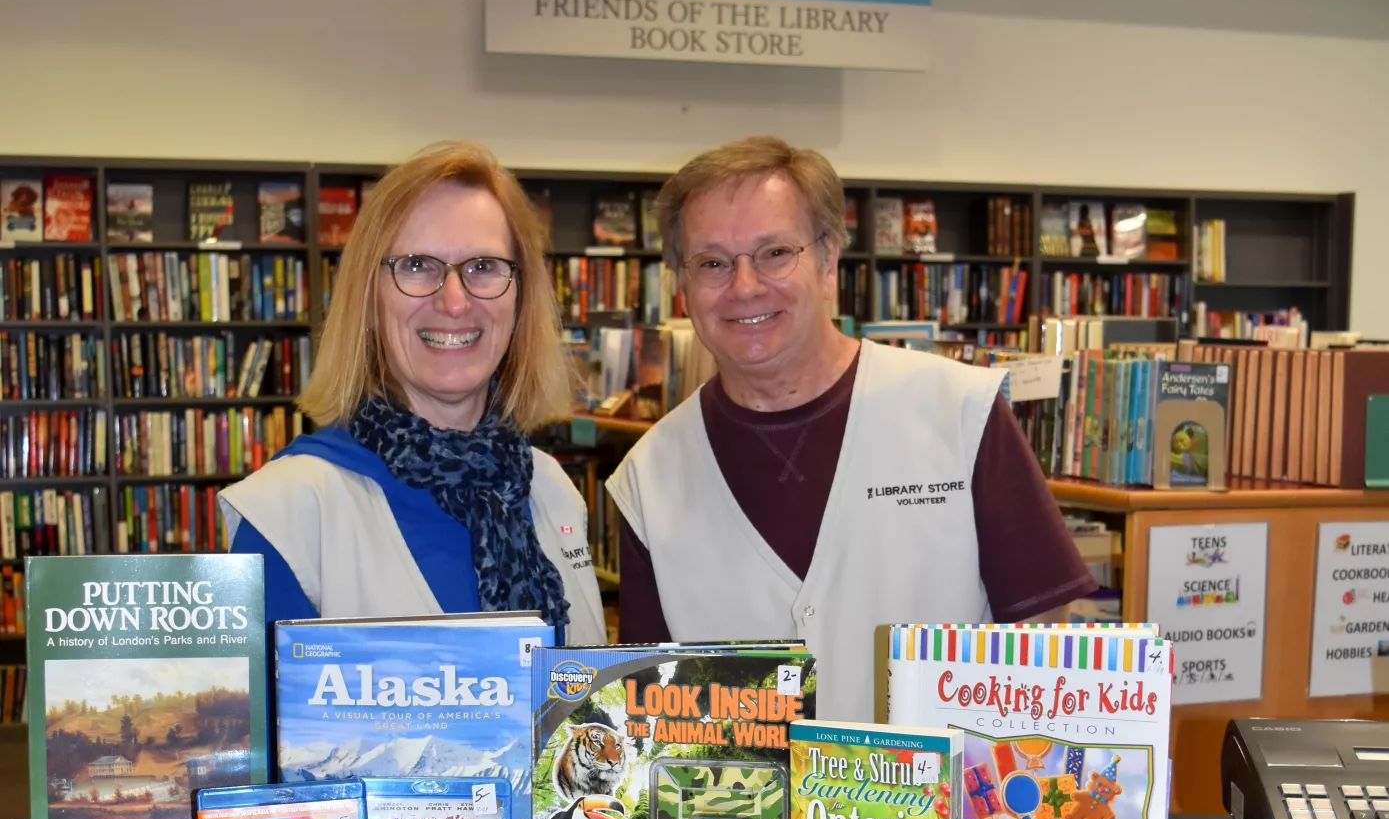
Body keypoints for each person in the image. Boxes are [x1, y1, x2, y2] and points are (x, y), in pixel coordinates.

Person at [606, 136, 1097, 722]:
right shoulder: (647, 477)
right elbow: (655, 707)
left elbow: (1041, 638)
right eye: (712, 262)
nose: (744, 287)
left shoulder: (960, 413)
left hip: (941, 809)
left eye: (774, 252)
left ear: (829, 258)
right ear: (683, 287)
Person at [219, 141, 605, 645]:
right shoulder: (288, 514)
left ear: (520, 295)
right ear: (369, 298)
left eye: (483, 266)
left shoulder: (550, 490)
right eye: (418, 266)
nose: (454, 301)